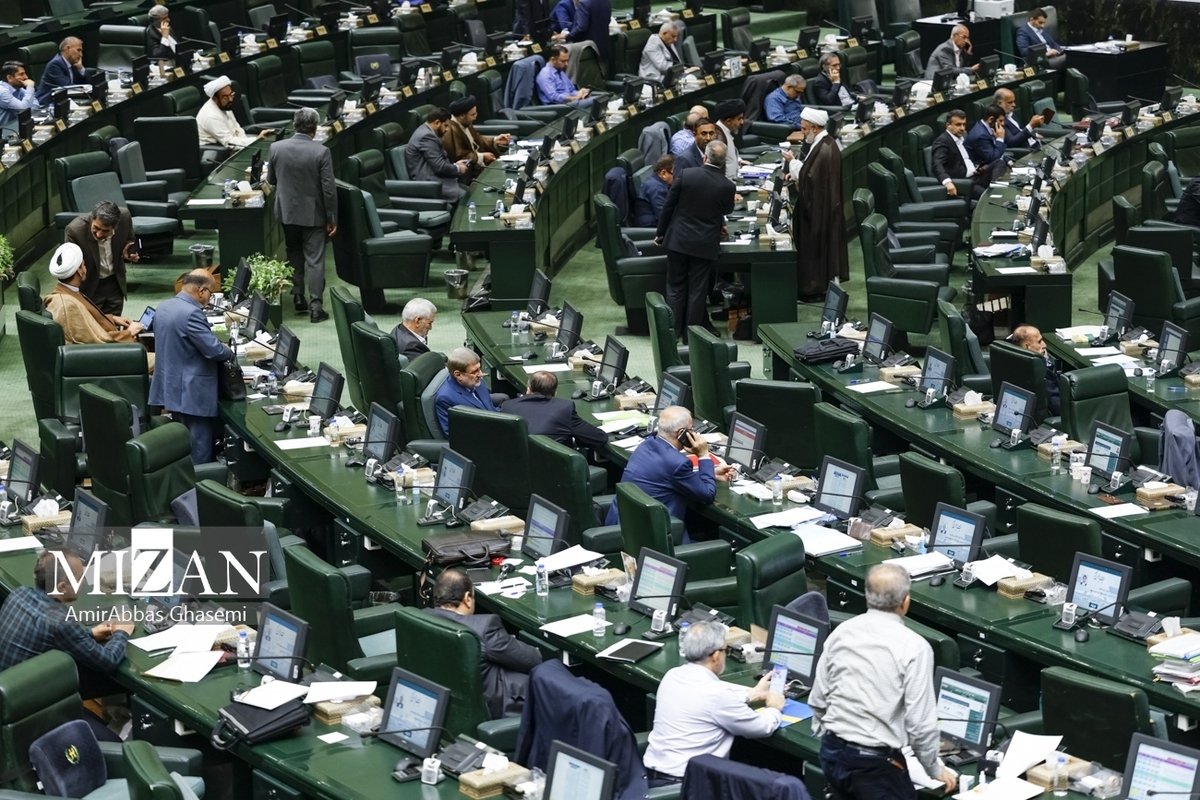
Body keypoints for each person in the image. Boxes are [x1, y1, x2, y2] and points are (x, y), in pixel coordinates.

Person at [809, 563, 958, 799]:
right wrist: (934, 768)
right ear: (905, 602)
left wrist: (833, 737)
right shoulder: (915, 647)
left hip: (832, 753)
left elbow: (818, 697)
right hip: (873, 766)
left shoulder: (842, 632)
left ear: (867, 596)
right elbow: (920, 724)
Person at [642, 620, 784, 786]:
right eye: (725, 650)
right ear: (716, 656)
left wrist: (752, 694)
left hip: (650, 776)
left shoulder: (672, 675)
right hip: (689, 786)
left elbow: (705, 701)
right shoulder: (718, 695)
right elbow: (761, 727)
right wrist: (774, 707)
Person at [425, 569, 543, 718]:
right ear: (467, 598)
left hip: (443, 704)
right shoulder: (484, 628)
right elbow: (533, 659)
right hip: (496, 709)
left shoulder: (421, 617)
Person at [149, 270, 235, 464]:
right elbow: (214, 351)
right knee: (199, 452)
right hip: (192, 395)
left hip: (171, 388)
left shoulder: (163, 306)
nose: (210, 298)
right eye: (211, 293)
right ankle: (201, 483)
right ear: (202, 291)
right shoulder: (192, 313)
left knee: (184, 447)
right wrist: (228, 349)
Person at [604, 405, 735, 526]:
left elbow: (665, 476)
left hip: (621, 525)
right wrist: (704, 454)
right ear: (682, 433)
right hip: (653, 535)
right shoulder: (678, 463)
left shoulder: (645, 445)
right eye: (691, 429)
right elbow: (707, 495)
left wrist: (711, 472)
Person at [654, 141, 734, 338]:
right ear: (723, 162)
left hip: (678, 240)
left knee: (675, 287)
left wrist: (661, 233)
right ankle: (691, 336)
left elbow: (669, 205)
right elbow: (726, 210)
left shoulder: (686, 175)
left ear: (705, 157)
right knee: (697, 291)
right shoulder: (727, 186)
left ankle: (673, 333)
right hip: (705, 244)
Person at [267, 107, 337, 323]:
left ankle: (298, 295)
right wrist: (332, 217)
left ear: (294, 125)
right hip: (314, 214)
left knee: (293, 251)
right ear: (315, 129)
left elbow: (271, 180)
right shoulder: (321, 152)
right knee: (315, 260)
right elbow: (328, 190)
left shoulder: (276, 148)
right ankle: (316, 308)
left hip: (287, 212)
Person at [43, 243, 154, 371]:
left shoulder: (67, 292)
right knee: (164, 360)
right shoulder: (67, 305)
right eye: (84, 265)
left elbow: (86, 321)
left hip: (103, 352)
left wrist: (112, 319)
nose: (86, 267)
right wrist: (129, 332)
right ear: (79, 271)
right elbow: (97, 342)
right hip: (107, 359)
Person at [784, 107, 849, 298]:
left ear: (814, 128)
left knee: (817, 250)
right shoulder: (823, 143)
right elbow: (810, 172)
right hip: (824, 207)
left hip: (821, 211)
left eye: (805, 129)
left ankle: (813, 288)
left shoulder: (825, 148)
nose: (802, 132)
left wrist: (792, 162)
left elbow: (809, 178)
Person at [63, 200, 139, 316]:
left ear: (115, 226)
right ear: (92, 219)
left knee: (114, 321)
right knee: (92, 323)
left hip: (115, 283)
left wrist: (129, 252)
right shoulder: (75, 230)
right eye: (96, 228)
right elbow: (69, 265)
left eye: (105, 231)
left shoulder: (124, 217)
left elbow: (130, 239)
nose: (99, 234)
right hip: (90, 285)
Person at [501, 370, 608, 450]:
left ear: (528, 389)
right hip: (551, 469)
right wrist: (574, 440)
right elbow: (600, 438)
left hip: (514, 468)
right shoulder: (564, 409)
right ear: (555, 392)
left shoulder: (507, 406)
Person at [406, 107, 471, 203]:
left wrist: (455, 165)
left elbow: (437, 162)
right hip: (429, 184)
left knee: (471, 191)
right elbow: (439, 167)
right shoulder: (427, 136)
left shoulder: (427, 132)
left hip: (437, 178)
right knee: (466, 198)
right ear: (437, 123)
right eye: (446, 125)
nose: (447, 130)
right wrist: (458, 168)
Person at [441, 95, 512, 183]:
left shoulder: (466, 123)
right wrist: (481, 157)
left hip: (481, 167)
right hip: (472, 174)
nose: (475, 117)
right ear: (462, 115)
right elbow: (460, 157)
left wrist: (495, 140)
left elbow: (478, 139)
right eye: (473, 114)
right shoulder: (450, 130)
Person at [434, 347, 500, 437]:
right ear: (458, 375)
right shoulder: (446, 398)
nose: (481, 374)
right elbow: (455, 434)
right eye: (475, 371)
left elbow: (490, 408)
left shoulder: (475, 381)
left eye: (479, 368)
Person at [931, 110, 995, 200]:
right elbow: (937, 165)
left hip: (976, 175)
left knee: (998, 162)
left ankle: (997, 188)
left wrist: (978, 166)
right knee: (990, 198)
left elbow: (970, 157)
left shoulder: (963, 136)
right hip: (965, 182)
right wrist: (947, 182)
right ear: (948, 125)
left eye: (964, 124)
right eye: (958, 125)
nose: (962, 128)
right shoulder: (942, 141)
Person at [197, 76, 274, 149]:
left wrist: (249, 140)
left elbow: (237, 129)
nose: (230, 99)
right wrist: (256, 140)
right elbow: (229, 143)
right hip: (216, 152)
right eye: (225, 97)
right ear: (215, 98)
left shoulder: (225, 105)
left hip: (231, 145)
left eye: (231, 94)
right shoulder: (211, 116)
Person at [1011, 324, 1061, 415]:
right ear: (1027, 346)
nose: (1044, 345)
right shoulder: (1040, 373)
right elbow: (1059, 407)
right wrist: (1045, 363)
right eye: (1039, 341)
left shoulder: (1013, 363)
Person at [557, 0, 612, 65]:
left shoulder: (584, 4)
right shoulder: (605, 1)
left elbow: (581, 28)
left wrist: (567, 36)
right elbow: (608, 21)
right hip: (603, 49)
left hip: (588, 51)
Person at [35, 37, 86, 105]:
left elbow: (87, 82)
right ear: (68, 49)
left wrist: (81, 68)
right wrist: (84, 89)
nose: (81, 54)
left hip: (65, 100)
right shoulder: (55, 64)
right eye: (78, 50)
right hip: (47, 103)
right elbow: (67, 86)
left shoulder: (72, 63)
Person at [632, 154, 674, 227]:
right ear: (664, 173)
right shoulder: (657, 188)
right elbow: (664, 217)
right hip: (649, 227)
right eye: (676, 175)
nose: (678, 178)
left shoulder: (656, 180)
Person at [390, 297, 436, 362]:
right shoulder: (411, 346)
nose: (431, 328)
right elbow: (430, 365)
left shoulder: (398, 329)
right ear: (418, 321)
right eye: (429, 323)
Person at [964, 104, 1008, 170]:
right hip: (981, 170)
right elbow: (993, 158)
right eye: (1000, 121)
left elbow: (997, 150)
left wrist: (1008, 161)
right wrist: (1000, 139)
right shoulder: (980, 136)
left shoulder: (986, 128)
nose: (1003, 124)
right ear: (991, 119)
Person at [0, 61, 39, 137]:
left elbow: (35, 105)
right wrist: (30, 87)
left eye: (25, 73)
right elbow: (23, 109)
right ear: (9, 78)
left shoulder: (18, 88)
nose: (26, 77)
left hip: (13, 128)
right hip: (3, 132)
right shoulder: (2, 92)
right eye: (21, 74)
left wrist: (27, 109)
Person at [711, 99, 746, 181]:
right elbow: (717, 170)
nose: (742, 122)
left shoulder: (724, 131)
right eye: (739, 119)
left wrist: (739, 161)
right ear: (729, 121)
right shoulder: (719, 137)